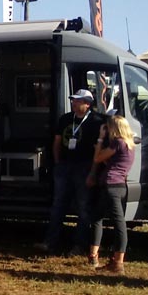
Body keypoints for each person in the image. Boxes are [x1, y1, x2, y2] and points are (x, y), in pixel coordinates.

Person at [39, 89, 104, 254]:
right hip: (64, 167)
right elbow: (57, 141)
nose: (74, 103)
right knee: (58, 205)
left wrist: (93, 172)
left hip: (85, 167)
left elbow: (99, 148)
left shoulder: (97, 121)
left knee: (83, 206)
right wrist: (57, 162)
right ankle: (50, 242)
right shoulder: (66, 118)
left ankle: (79, 245)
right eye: (73, 100)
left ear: (87, 104)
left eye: (78, 101)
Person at [87, 115, 135, 274]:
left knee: (119, 223)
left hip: (111, 185)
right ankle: (93, 254)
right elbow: (114, 162)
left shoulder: (117, 142)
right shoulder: (129, 145)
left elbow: (98, 158)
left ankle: (118, 261)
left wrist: (100, 140)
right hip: (121, 185)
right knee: (97, 217)